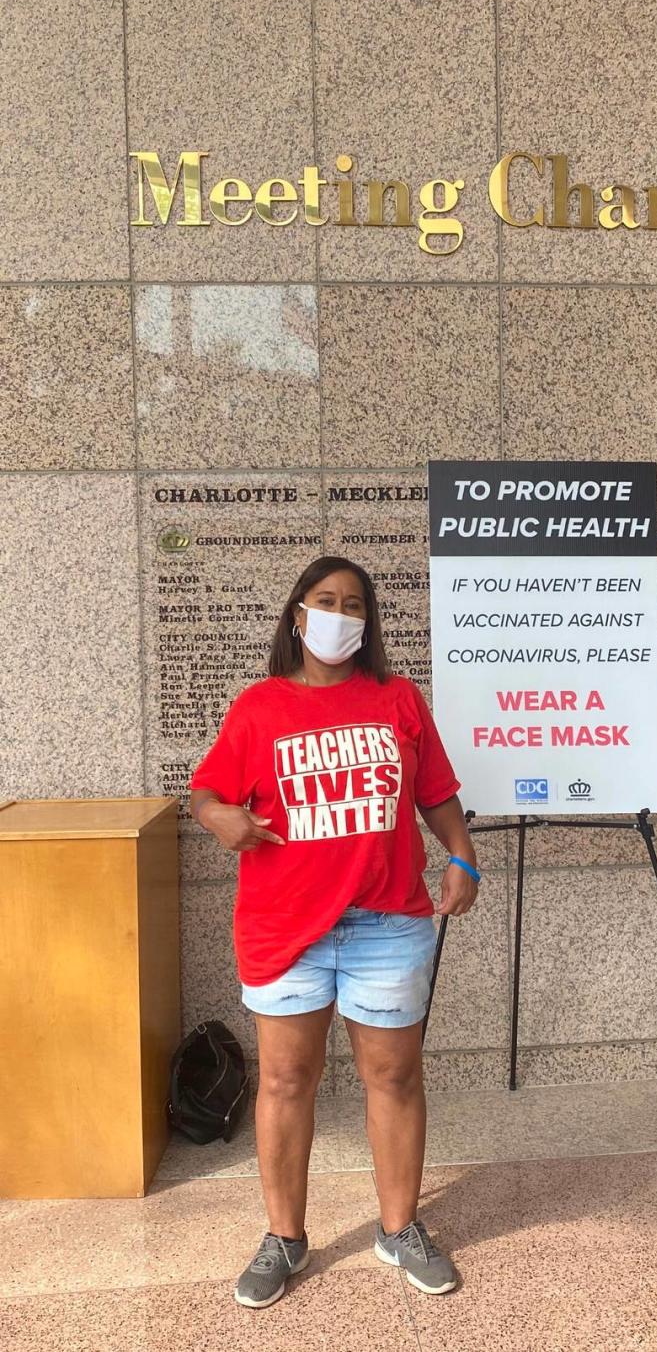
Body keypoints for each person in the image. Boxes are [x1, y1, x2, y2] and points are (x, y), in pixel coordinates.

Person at [188, 555, 479, 1309]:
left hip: (388, 922)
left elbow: (439, 794)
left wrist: (463, 859)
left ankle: (399, 1227)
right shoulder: (259, 707)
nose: (340, 615)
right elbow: (206, 791)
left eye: (354, 605)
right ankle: (284, 1238)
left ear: (368, 623)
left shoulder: (398, 699)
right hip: (285, 929)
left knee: (395, 1077)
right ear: (297, 614)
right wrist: (220, 816)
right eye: (325, 601)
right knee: (286, 1080)